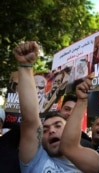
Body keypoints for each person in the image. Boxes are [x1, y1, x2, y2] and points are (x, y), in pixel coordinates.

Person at [13, 41, 81, 172]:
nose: (51, 131)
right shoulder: (36, 160)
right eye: (44, 130)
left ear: (71, 131)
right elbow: (31, 120)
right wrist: (25, 66)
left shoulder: (90, 164)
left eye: (58, 125)